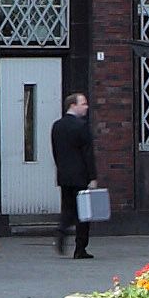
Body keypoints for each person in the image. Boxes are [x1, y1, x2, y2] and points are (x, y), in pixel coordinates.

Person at [51, 86, 101, 259]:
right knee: (83, 214)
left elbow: (56, 152)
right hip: (81, 176)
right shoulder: (82, 126)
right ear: (73, 105)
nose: (86, 107)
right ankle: (80, 249)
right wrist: (92, 177)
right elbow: (88, 154)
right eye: (83, 104)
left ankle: (62, 230)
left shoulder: (57, 126)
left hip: (64, 175)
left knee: (67, 208)